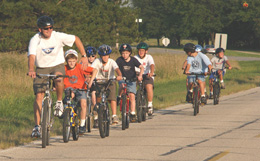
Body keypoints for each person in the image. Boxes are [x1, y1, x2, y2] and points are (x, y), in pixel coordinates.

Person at [28, 15, 88, 138]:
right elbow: (32, 56)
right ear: (40, 29)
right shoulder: (35, 40)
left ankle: (59, 101)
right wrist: (31, 69)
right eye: (46, 29)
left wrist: (84, 55)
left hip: (57, 65)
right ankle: (37, 126)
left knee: (59, 77)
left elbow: (76, 39)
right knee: (39, 95)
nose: (49, 30)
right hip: (42, 67)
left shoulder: (58, 36)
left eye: (51, 28)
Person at [63, 49, 97, 133]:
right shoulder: (64, 68)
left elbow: (94, 70)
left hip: (81, 89)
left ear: (76, 61)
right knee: (69, 98)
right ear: (66, 61)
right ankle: (66, 114)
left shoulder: (80, 67)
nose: (71, 63)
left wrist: (91, 80)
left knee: (83, 103)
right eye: (69, 61)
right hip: (69, 89)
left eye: (73, 61)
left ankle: (82, 124)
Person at [91, 44, 122, 125]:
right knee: (98, 96)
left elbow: (117, 69)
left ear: (109, 55)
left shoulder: (112, 62)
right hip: (99, 81)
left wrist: (119, 75)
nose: (105, 57)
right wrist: (89, 77)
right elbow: (92, 69)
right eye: (103, 56)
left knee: (112, 98)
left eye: (106, 55)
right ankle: (97, 106)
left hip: (110, 81)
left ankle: (114, 115)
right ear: (100, 56)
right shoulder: (97, 61)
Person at [116, 44, 144, 122]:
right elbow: (115, 67)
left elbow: (141, 67)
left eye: (126, 53)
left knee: (132, 95)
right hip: (123, 79)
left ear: (130, 53)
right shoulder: (119, 60)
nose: (124, 55)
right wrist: (117, 76)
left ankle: (132, 113)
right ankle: (119, 96)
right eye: (123, 53)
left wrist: (140, 75)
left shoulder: (133, 60)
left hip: (132, 80)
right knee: (121, 86)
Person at [134, 42, 155, 115]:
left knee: (149, 86)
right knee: (132, 87)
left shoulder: (149, 57)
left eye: (142, 51)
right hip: (137, 75)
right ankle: (133, 107)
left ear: (146, 51)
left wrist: (151, 72)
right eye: (139, 50)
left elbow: (152, 65)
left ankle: (149, 105)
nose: (141, 52)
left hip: (147, 75)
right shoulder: (135, 57)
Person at [85, 46, 98, 128]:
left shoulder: (97, 63)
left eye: (92, 56)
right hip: (85, 83)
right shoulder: (83, 63)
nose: (90, 58)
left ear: (95, 56)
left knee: (93, 96)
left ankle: (96, 117)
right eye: (88, 56)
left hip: (94, 82)